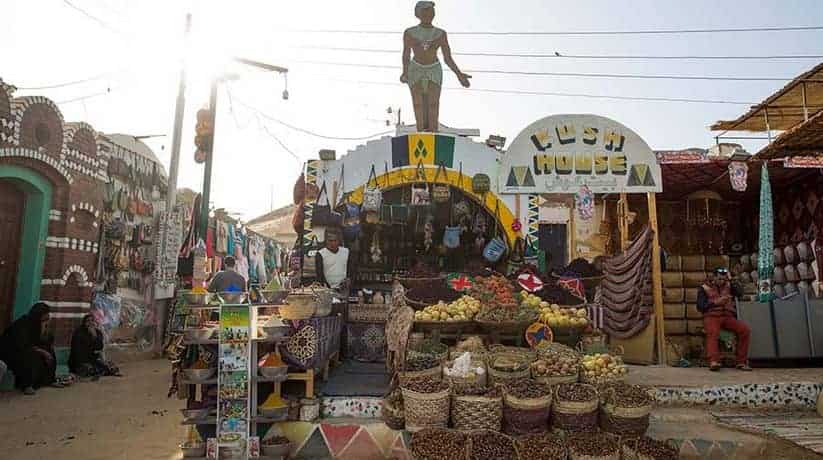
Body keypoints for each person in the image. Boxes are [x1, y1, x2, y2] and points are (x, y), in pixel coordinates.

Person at [400, 1, 471, 132]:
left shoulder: (440, 33)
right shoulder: (410, 32)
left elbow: (447, 57)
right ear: (418, 13)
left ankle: (433, 131)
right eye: (425, 10)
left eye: (432, 11)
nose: (429, 13)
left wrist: (459, 74)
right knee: (418, 104)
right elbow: (406, 54)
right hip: (415, 68)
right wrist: (405, 72)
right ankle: (421, 131)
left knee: (433, 104)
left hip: (434, 68)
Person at [697, 268, 752, 371]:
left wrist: (731, 280)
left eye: (724, 279)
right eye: (719, 278)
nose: (722, 281)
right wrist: (715, 303)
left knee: (745, 330)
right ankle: (714, 361)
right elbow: (700, 306)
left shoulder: (729, 285)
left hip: (727, 316)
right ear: (713, 277)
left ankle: (741, 361)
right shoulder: (704, 288)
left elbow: (740, 293)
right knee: (713, 333)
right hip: (711, 316)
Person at [0, 302, 59, 394]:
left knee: (49, 351)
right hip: (12, 353)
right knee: (31, 355)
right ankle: (26, 385)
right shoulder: (23, 323)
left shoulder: (39, 325)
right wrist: (42, 352)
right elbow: (22, 344)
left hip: (29, 348)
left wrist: (45, 331)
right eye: (45, 314)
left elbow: (41, 341)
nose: (47, 317)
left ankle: (49, 380)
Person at [69, 314, 121, 379]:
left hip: (93, 360)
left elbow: (99, 347)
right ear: (84, 323)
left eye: (92, 321)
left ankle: (100, 371)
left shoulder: (98, 332)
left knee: (112, 367)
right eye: (88, 321)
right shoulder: (78, 333)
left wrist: (94, 336)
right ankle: (97, 371)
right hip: (79, 361)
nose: (90, 323)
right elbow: (76, 351)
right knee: (90, 369)